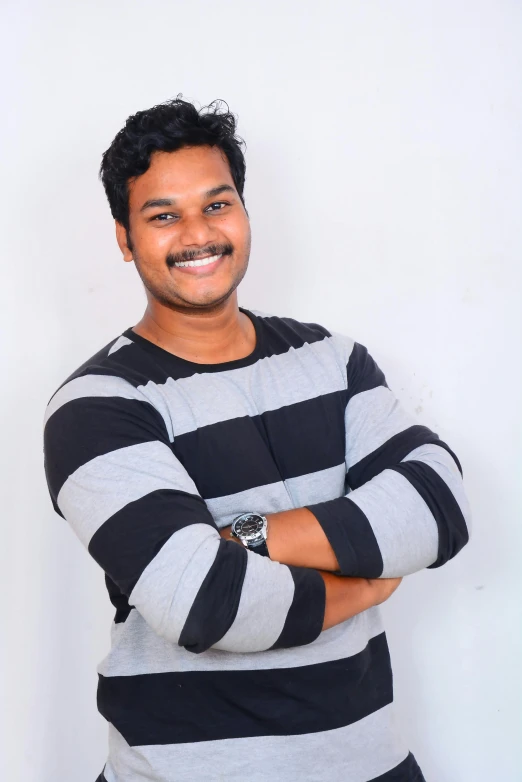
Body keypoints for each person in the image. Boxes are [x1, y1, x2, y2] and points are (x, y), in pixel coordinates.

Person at [43, 96, 471, 782]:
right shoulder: (97, 406)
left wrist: (244, 536)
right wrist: (366, 581)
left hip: (369, 766)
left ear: (243, 212)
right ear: (124, 239)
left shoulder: (333, 360)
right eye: (163, 215)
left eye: (216, 204)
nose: (197, 234)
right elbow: (207, 604)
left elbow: (437, 509)